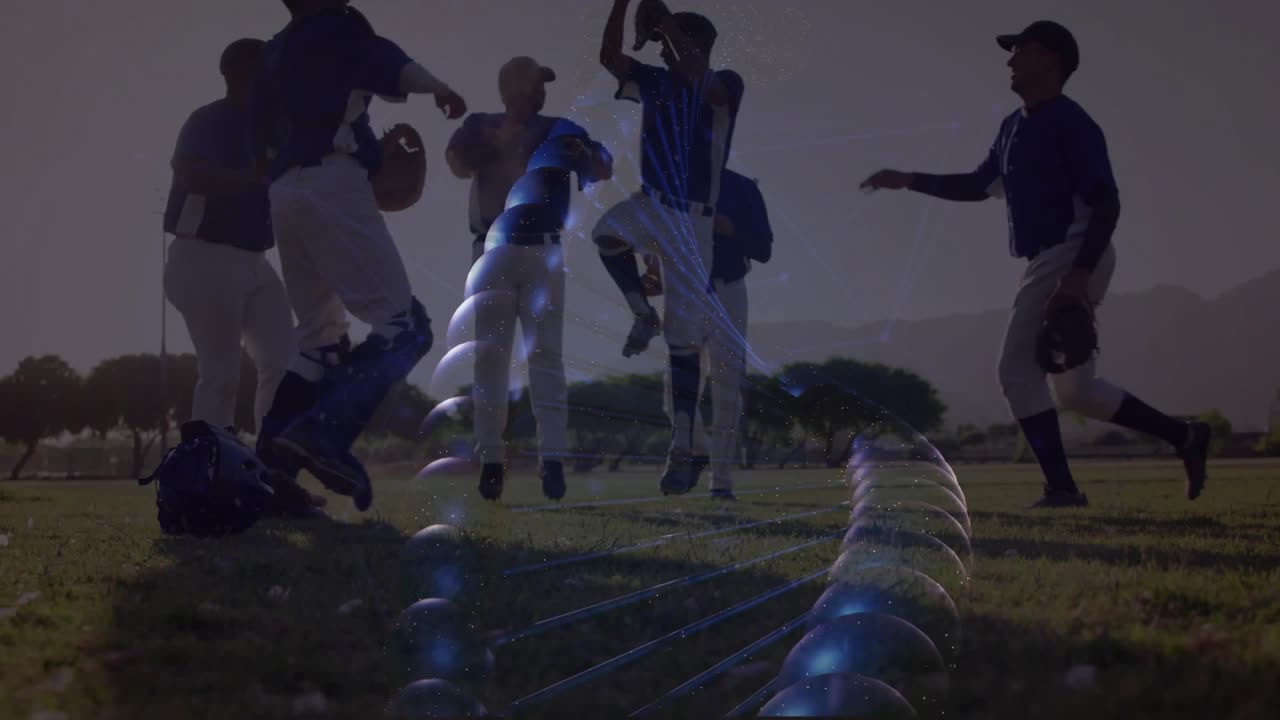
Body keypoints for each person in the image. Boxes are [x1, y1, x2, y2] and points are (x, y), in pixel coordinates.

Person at [860, 20, 1211, 508]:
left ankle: (1063, 490)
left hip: (1071, 250)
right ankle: (1186, 435)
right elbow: (977, 186)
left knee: (1015, 371)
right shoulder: (1012, 126)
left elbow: (1107, 201)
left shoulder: (1071, 123)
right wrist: (908, 179)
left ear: (1051, 60)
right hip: (1053, 258)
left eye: (1021, 50)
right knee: (1077, 392)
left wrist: (1078, 274)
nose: (1010, 60)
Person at [250, 0, 467, 511]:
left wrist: (364, 156)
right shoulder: (337, 25)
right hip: (331, 178)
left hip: (284, 191)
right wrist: (438, 87)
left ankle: (271, 475)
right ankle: (323, 433)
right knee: (405, 326)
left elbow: (263, 139)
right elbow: (386, 62)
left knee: (319, 340)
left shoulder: (274, 51)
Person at [163, 38, 323, 518]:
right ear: (239, 73)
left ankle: (270, 479)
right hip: (203, 253)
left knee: (283, 363)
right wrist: (251, 178)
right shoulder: (209, 119)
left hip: (254, 260)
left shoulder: (276, 126)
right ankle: (206, 487)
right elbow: (189, 172)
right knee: (221, 373)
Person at [593, 0, 745, 496]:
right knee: (607, 234)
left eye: (667, 41)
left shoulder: (724, 84)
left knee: (683, 342)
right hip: (653, 202)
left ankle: (684, 447)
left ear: (693, 43)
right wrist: (621, 5)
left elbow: (705, 80)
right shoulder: (657, 81)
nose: (660, 49)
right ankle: (642, 313)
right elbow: (610, 58)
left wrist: (664, 24)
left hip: (693, 219)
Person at [445, 56, 614, 501]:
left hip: (540, 248)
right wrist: (503, 135)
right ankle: (492, 459)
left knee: (543, 356)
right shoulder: (481, 125)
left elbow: (602, 168)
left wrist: (588, 152)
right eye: (536, 84)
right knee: (493, 359)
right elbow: (457, 162)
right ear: (516, 87)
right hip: (494, 248)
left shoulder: (560, 128)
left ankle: (550, 459)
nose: (541, 92)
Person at [650, 169, 773, 501]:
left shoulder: (742, 187)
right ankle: (697, 450)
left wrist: (731, 229)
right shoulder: (673, 182)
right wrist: (654, 267)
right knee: (673, 390)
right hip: (683, 291)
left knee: (727, 387)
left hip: (728, 291)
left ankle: (721, 481)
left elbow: (763, 249)